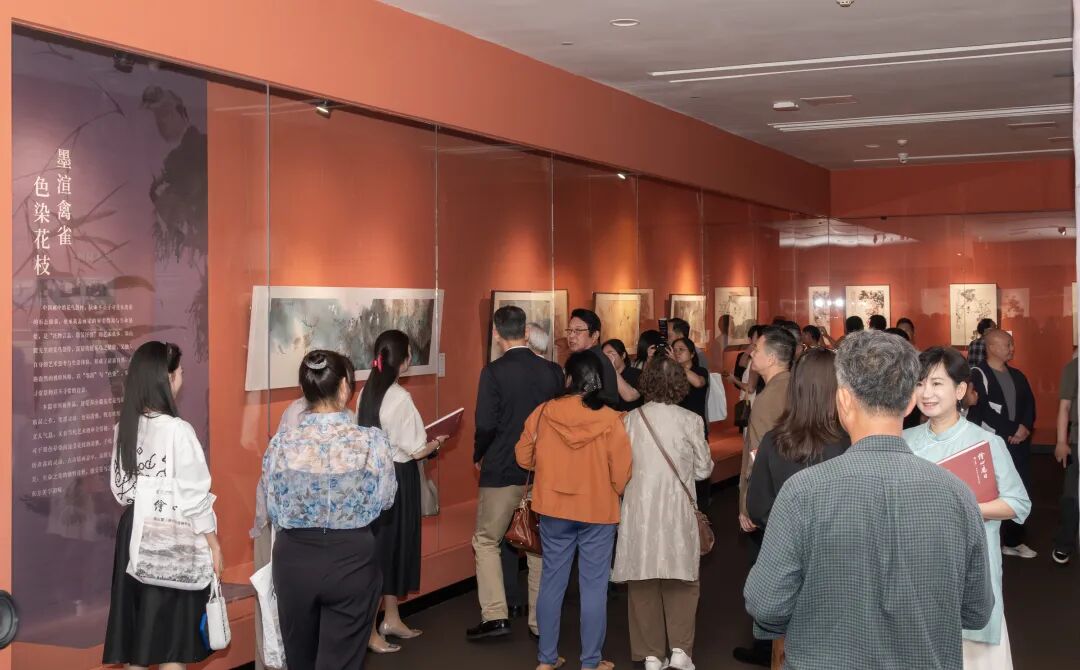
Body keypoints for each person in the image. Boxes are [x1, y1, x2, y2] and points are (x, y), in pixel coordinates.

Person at [744, 331, 994, 670]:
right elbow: (977, 610)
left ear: (843, 400)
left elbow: (766, 604)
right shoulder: (957, 494)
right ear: (910, 401)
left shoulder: (802, 492)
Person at [261, 350, 397, 670]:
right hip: (353, 559)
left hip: (294, 560)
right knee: (342, 661)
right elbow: (385, 499)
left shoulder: (281, 443)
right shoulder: (372, 442)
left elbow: (273, 508)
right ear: (345, 387)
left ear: (304, 390)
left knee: (300, 661)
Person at [904, 346, 1030, 668]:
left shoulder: (986, 442)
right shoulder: (904, 441)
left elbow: (1018, 503)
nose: (926, 393)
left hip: (971, 566)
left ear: (960, 390)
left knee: (974, 655)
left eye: (937, 383)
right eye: (920, 383)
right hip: (921, 567)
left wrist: (967, 506)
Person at [103, 341, 222, 670]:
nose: (182, 376)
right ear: (166, 379)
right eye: (179, 372)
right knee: (172, 646)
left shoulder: (124, 427)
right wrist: (212, 542)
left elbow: (121, 491)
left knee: (138, 643)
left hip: (133, 532)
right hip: (169, 533)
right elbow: (195, 495)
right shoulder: (178, 431)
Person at [516, 352, 633, 670]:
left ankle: (546, 659)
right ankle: (591, 661)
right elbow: (621, 474)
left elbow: (523, 457)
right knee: (593, 587)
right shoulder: (611, 419)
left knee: (552, 582)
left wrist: (550, 465)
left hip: (553, 509)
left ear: (569, 378)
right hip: (598, 511)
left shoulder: (543, 412)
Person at [250, 358, 357, 670]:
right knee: (287, 623)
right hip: (299, 535)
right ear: (342, 386)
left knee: (281, 622)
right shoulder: (345, 422)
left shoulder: (294, 414)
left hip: (287, 535)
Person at [468, 306, 564, 641]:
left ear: (496, 334)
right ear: (525, 331)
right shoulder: (552, 371)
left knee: (486, 540)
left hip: (501, 469)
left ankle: (495, 615)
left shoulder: (493, 373)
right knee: (538, 545)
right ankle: (539, 621)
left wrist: (478, 455)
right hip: (543, 470)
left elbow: (485, 424)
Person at [613, 357, 713, 670]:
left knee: (642, 581)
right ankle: (681, 651)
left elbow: (619, 471)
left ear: (647, 382)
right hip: (677, 510)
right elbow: (703, 470)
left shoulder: (630, 420)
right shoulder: (691, 420)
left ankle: (652, 655)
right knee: (682, 579)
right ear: (680, 384)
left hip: (639, 511)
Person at [357, 330, 449, 653]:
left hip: (375, 478)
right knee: (388, 553)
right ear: (403, 360)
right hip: (398, 478)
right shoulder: (400, 397)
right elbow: (417, 448)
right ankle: (370, 632)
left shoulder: (366, 392)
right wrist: (438, 442)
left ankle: (391, 619)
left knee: (386, 550)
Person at [745, 348, 850, 530]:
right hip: (840, 542)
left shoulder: (773, 440)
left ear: (795, 387)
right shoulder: (850, 442)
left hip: (786, 540)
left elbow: (757, 507)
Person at [970, 329, 1037, 558]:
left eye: (1012, 344)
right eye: (1007, 344)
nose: (1012, 349)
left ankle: (1014, 540)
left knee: (1018, 488)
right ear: (991, 347)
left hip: (1019, 443)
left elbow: (1029, 404)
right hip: (993, 443)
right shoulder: (978, 375)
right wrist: (1011, 429)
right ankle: (986, 544)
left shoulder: (1018, 375)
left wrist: (1024, 427)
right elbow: (982, 409)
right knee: (989, 492)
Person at [739, 326, 795, 534]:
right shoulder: (796, 385)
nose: (752, 353)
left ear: (771, 359)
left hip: (769, 498)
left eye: (757, 349)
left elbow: (757, 455)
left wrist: (748, 504)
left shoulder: (767, 398)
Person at [669, 336, 712, 511]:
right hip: (675, 429)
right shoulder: (672, 373)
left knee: (700, 470)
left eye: (681, 350)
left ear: (692, 353)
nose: (677, 353)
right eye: (674, 350)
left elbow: (698, 382)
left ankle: (702, 511)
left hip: (696, 429)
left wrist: (677, 366)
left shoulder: (700, 371)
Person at [1052, 353, 1078, 565]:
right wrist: (1061, 441)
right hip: (1078, 440)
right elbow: (1065, 406)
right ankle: (1065, 543)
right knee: (1071, 495)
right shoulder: (1074, 368)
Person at [565, 308, 620, 408]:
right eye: (569, 330)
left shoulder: (592, 363)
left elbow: (588, 397)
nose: (571, 336)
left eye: (578, 330)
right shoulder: (588, 358)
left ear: (595, 335)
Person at [602, 338, 644, 411]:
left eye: (611, 354)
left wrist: (613, 369)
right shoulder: (602, 377)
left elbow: (630, 396)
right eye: (604, 355)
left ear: (623, 355)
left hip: (631, 416)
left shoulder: (637, 374)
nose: (607, 358)